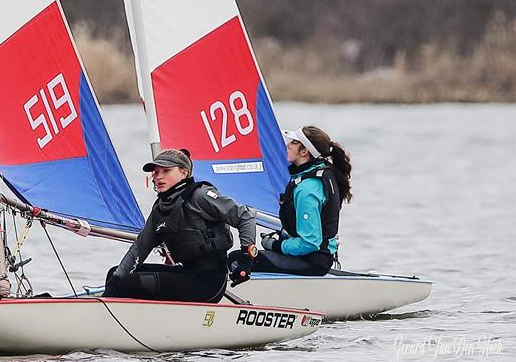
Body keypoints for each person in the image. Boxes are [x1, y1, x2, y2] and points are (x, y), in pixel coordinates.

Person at [103, 149, 257, 303]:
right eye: (156, 172)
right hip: (187, 273)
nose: (159, 177)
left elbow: (244, 217)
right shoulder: (160, 208)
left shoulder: (200, 196)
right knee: (114, 275)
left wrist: (246, 259)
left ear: (184, 173)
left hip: (210, 283)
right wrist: (115, 280)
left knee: (132, 283)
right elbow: (140, 248)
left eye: (166, 171)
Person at [228, 126, 352, 284]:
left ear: (304, 151)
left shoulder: (307, 189)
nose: (287, 145)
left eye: (293, 142)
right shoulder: (322, 174)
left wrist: (277, 245)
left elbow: (310, 242)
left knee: (237, 259)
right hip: (315, 257)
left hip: (312, 261)